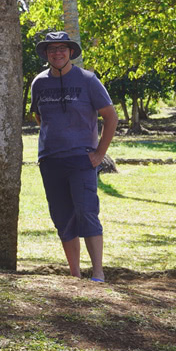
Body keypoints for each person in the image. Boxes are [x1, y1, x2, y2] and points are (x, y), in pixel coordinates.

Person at [29, 31, 118, 282]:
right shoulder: (39, 83)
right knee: (62, 217)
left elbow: (110, 117)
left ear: (70, 52)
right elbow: (39, 116)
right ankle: (75, 275)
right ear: (46, 54)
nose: (57, 53)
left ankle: (98, 273)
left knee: (87, 212)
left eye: (62, 48)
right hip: (50, 160)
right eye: (52, 49)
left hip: (82, 159)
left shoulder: (88, 80)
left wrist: (100, 153)